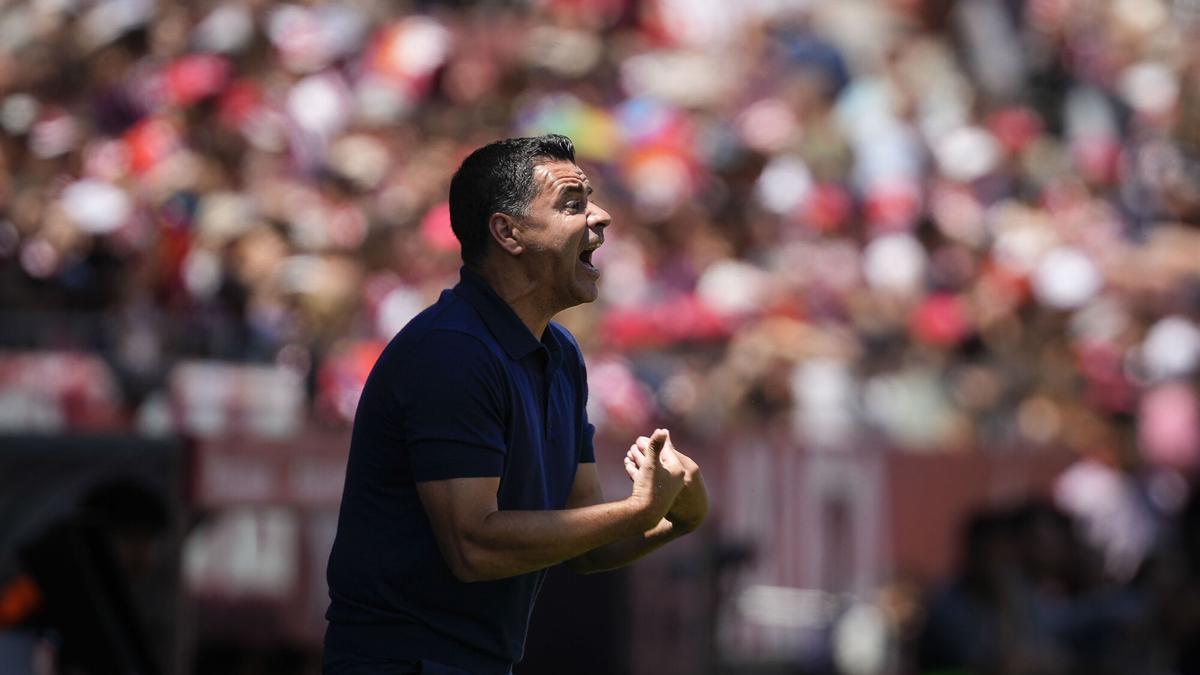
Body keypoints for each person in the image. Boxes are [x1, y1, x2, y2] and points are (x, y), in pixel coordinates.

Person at [323, 134, 709, 675]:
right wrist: (638, 510)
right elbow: (473, 547)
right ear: (508, 232)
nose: (601, 217)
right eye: (572, 205)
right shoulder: (451, 351)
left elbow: (585, 542)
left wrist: (676, 518)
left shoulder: (562, 353)